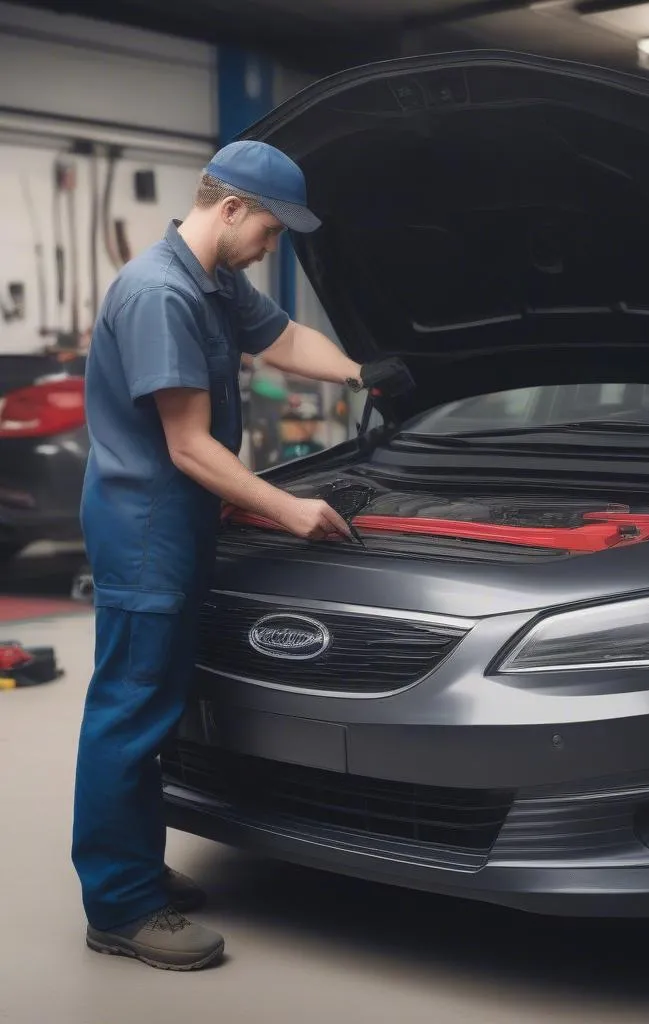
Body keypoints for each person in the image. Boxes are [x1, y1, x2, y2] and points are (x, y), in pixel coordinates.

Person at [71, 140, 407, 971]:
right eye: (270, 229)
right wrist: (288, 508)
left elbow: (286, 338)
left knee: (156, 711)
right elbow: (187, 446)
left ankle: (137, 868)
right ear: (229, 209)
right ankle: (118, 905)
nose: (272, 246)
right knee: (129, 714)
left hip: (183, 524)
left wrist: (364, 374)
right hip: (147, 529)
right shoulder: (158, 293)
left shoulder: (215, 281)